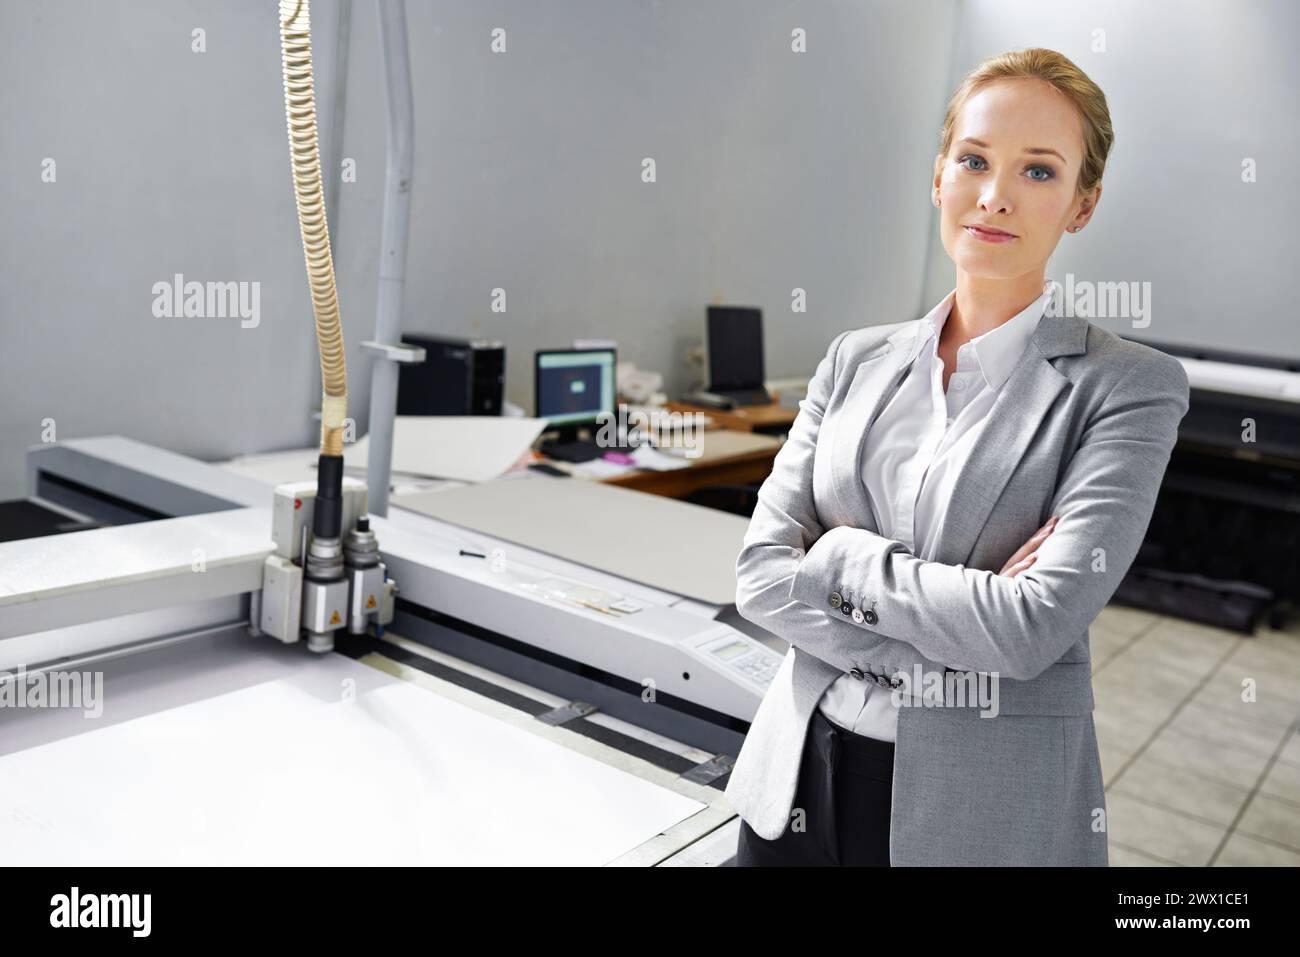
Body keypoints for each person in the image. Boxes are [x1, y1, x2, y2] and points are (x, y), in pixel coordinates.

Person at [725, 47, 1190, 866]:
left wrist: (835, 560)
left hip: (976, 814)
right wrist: (953, 627)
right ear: (939, 175)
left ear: (1082, 205)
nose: (995, 194)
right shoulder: (852, 358)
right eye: (973, 159)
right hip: (795, 777)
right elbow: (761, 576)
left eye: (1039, 172)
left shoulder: (1128, 387)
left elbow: (1029, 629)